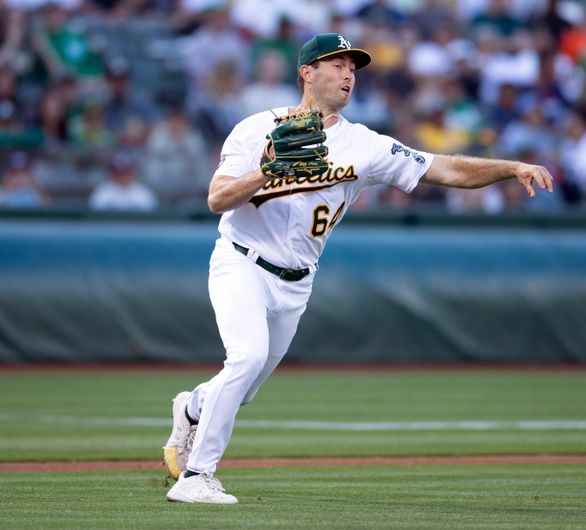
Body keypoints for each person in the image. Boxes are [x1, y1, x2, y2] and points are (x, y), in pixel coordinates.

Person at [163, 33, 553, 505]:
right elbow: (216, 199)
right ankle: (197, 476)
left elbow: (445, 169)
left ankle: (193, 408)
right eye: (336, 64)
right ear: (306, 73)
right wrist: (270, 169)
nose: (348, 73)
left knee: (241, 389)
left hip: (297, 282)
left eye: (353, 66)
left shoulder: (364, 145)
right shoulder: (255, 130)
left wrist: (511, 166)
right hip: (241, 260)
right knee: (244, 358)